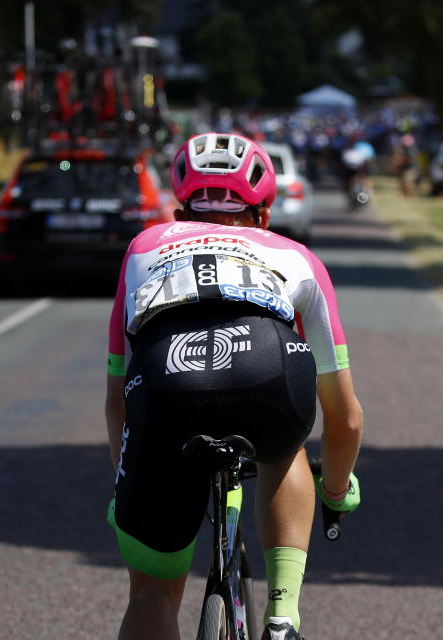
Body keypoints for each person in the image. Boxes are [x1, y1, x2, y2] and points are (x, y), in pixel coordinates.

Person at [105, 133, 364, 640]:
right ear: (263, 214)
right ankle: (284, 614)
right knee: (283, 447)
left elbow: (117, 403)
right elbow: (345, 417)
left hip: (165, 381)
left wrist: (127, 483)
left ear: (180, 215)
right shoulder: (297, 255)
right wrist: (334, 491)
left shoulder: (142, 247)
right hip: (268, 370)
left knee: (152, 595)